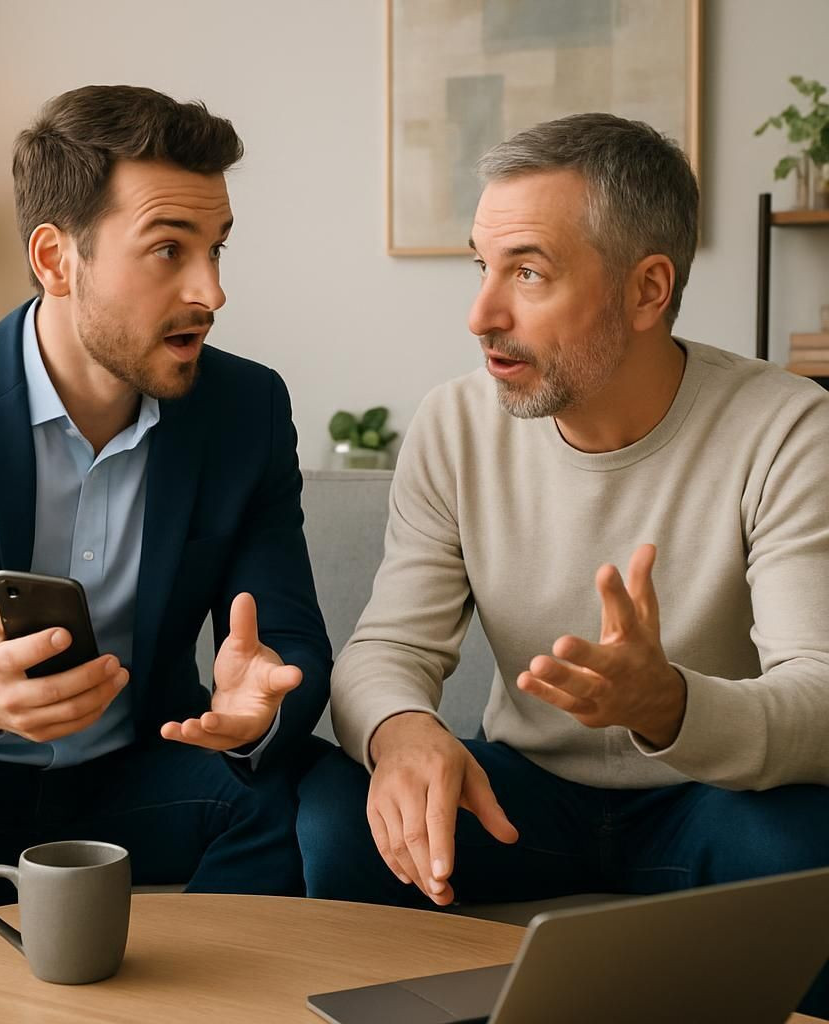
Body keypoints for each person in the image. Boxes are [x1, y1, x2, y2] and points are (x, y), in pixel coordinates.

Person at [297, 112, 829, 1018]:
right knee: (334, 818)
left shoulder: (786, 429)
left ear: (647, 289)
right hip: (523, 799)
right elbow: (387, 646)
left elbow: (819, 698)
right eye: (481, 266)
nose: (481, 314)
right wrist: (400, 733)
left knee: (814, 853)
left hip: (714, 798)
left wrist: (669, 704)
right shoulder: (454, 425)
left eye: (528, 273)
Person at [0, 84, 331, 968]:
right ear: (57, 258)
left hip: (137, 781)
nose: (212, 289)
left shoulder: (244, 409)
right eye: (169, 249)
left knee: (304, 798)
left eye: (215, 248)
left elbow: (290, 646)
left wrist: (258, 709)